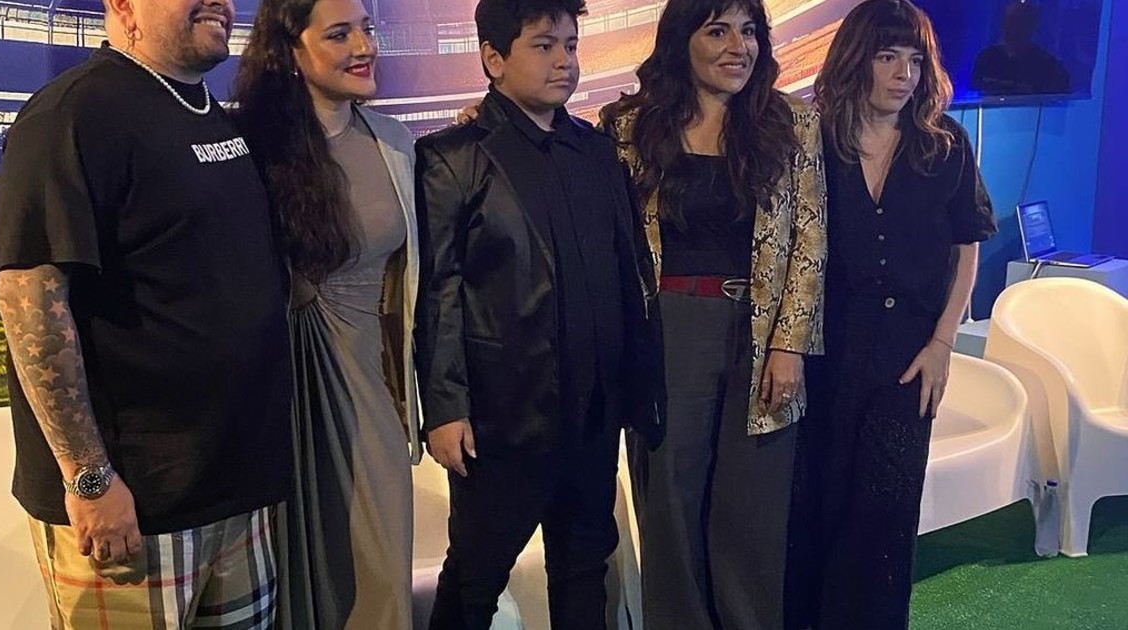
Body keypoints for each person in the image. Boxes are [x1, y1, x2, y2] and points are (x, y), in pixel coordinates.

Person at [0, 0, 292, 627]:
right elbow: (30, 303)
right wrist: (90, 479)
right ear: (122, 5)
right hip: (135, 507)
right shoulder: (72, 113)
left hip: (237, 491)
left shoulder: (213, 115)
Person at [413, 0, 663, 627]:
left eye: (570, 45)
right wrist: (445, 407)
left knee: (584, 567)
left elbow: (628, 270)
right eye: (543, 45)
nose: (564, 61)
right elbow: (438, 289)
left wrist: (635, 388)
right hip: (503, 414)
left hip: (593, 411)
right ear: (493, 58)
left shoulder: (597, 152)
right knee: (476, 575)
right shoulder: (452, 156)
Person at [598, 1, 827, 628]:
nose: (738, 46)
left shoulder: (793, 123)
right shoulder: (628, 127)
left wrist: (790, 345)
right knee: (670, 505)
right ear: (682, 40)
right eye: (718, 31)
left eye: (749, 31)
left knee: (753, 507)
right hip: (668, 331)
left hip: (763, 334)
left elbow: (810, 239)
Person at [785, 1, 997, 628]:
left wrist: (942, 344)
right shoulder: (812, 141)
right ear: (857, 60)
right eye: (887, 57)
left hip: (910, 357)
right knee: (814, 508)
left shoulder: (945, 144)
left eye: (914, 60)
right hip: (822, 351)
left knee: (886, 517)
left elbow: (966, 249)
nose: (904, 74)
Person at [231, 0, 421, 627]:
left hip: (370, 393)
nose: (364, 46)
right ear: (291, 51)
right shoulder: (243, 148)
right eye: (340, 34)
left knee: (381, 579)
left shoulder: (395, 144)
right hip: (272, 399)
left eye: (368, 29)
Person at [972, 0, 1070, 96]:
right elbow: (975, 96)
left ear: (1032, 26)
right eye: (1008, 21)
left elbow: (1059, 98)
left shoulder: (1049, 67)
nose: (1009, 27)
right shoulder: (987, 59)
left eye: (1018, 21)